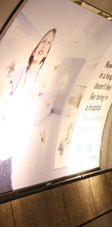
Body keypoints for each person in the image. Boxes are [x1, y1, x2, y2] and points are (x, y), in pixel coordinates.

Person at [0, 29, 56, 193]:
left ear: (47, 53)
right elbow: (5, 96)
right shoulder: (20, 73)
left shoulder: (39, 81)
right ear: (34, 48)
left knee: (6, 180)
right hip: (5, 132)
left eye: (47, 45)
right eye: (42, 42)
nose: (43, 47)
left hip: (14, 138)